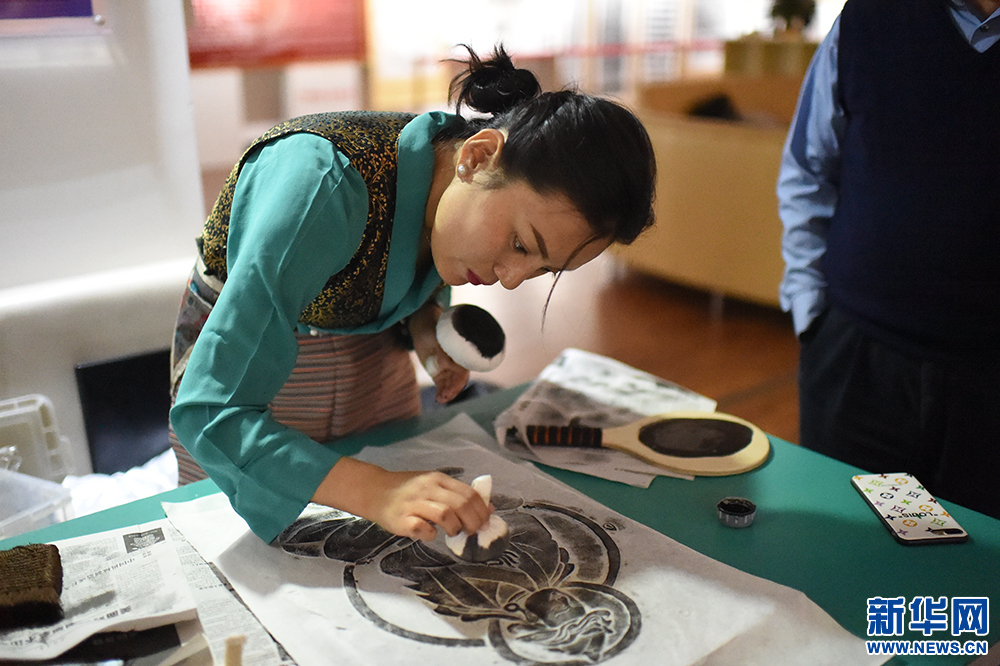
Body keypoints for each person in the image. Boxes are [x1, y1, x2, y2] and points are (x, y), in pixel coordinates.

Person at [169, 45, 657, 544]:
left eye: (544, 269)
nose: (512, 279)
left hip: (374, 367)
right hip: (254, 371)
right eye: (519, 244)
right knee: (240, 549)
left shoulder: (450, 183)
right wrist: (373, 490)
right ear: (477, 156)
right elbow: (212, 410)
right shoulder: (321, 182)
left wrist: (424, 325)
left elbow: (402, 258)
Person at [778, 0, 1000, 519]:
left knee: (974, 558)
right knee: (844, 541)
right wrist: (811, 316)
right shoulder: (868, 18)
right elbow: (808, 169)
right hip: (858, 364)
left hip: (989, 385)